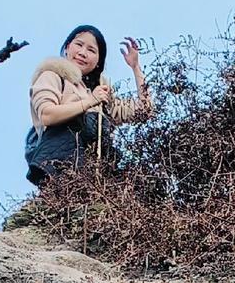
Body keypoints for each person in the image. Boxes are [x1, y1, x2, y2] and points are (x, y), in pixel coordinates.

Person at [25, 25, 151, 187]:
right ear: (67, 47)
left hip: (97, 173)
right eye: (79, 44)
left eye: (92, 50)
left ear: (98, 62)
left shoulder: (101, 94)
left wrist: (135, 67)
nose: (83, 53)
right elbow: (47, 115)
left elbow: (144, 111)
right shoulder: (53, 75)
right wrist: (89, 102)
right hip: (60, 165)